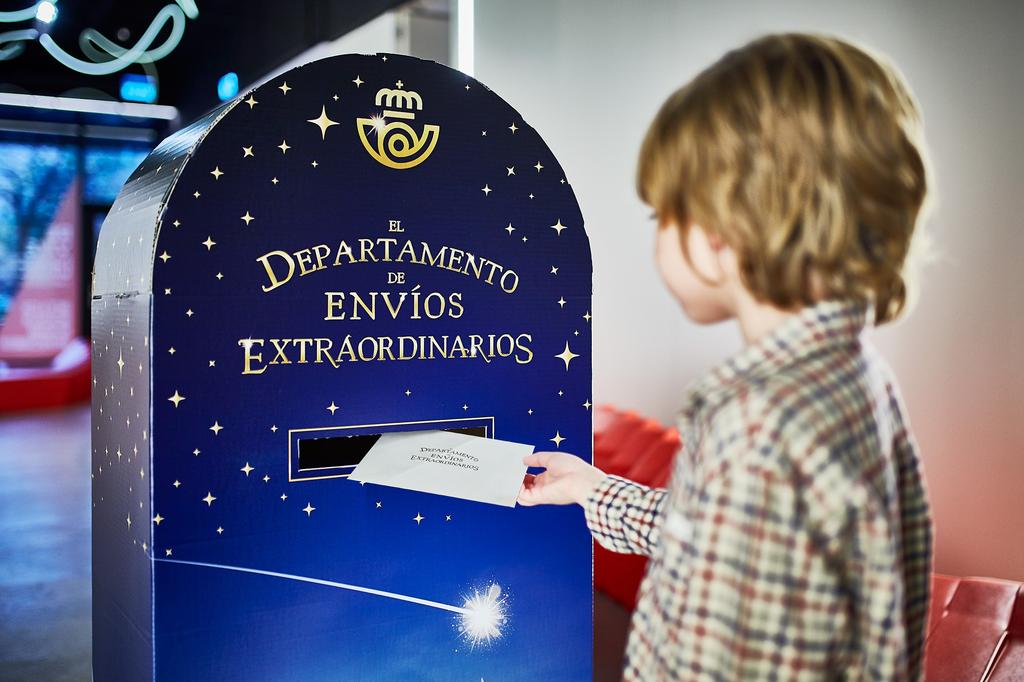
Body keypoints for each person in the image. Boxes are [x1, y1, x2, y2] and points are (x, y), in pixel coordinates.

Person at [518, 32, 934, 680]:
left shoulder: (752, 424)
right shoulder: (857, 380)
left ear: (720, 231)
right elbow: (725, 536)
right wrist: (593, 489)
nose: (658, 235)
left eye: (661, 215)